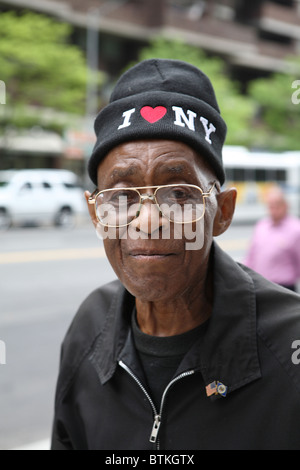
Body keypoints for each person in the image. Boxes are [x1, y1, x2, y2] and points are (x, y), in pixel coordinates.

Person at [51, 59, 300, 450]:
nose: (148, 221)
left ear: (222, 213)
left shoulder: (291, 345)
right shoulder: (88, 327)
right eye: (120, 197)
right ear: (96, 214)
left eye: (180, 194)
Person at [244, 186, 300, 292]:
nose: (273, 210)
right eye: (270, 206)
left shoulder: (296, 229)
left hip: (284, 287)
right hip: (260, 285)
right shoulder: (261, 225)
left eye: (277, 206)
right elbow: (251, 255)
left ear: (285, 205)